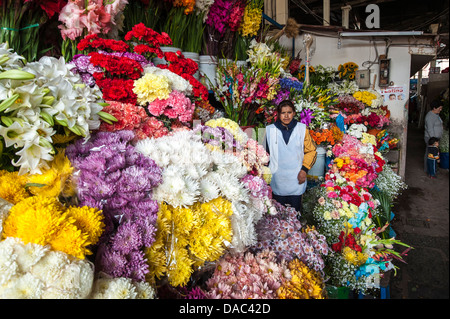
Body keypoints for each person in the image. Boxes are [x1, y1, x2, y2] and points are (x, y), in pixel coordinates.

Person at [263, 100, 317, 212]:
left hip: (297, 178)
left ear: (294, 113)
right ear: (278, 114)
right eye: (283, 113)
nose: (286, 116)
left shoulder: (302, 129)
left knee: (295, 215)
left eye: (289, 112)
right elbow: (263, 155)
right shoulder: (269, 130)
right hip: (277, 180)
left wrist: (304, 170)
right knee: (277, 216)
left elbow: (311, 151)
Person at [424, 99, 443, 172]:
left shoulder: (436, 115)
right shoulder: (430, 116)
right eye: (439, 108)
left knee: (433, 154)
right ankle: (428, 169)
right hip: (431, 138)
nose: (440, 110)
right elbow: (430, 129)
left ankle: (433, 169)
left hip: (435, 139)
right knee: (429, 154)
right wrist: (433, 140)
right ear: (434, 108)